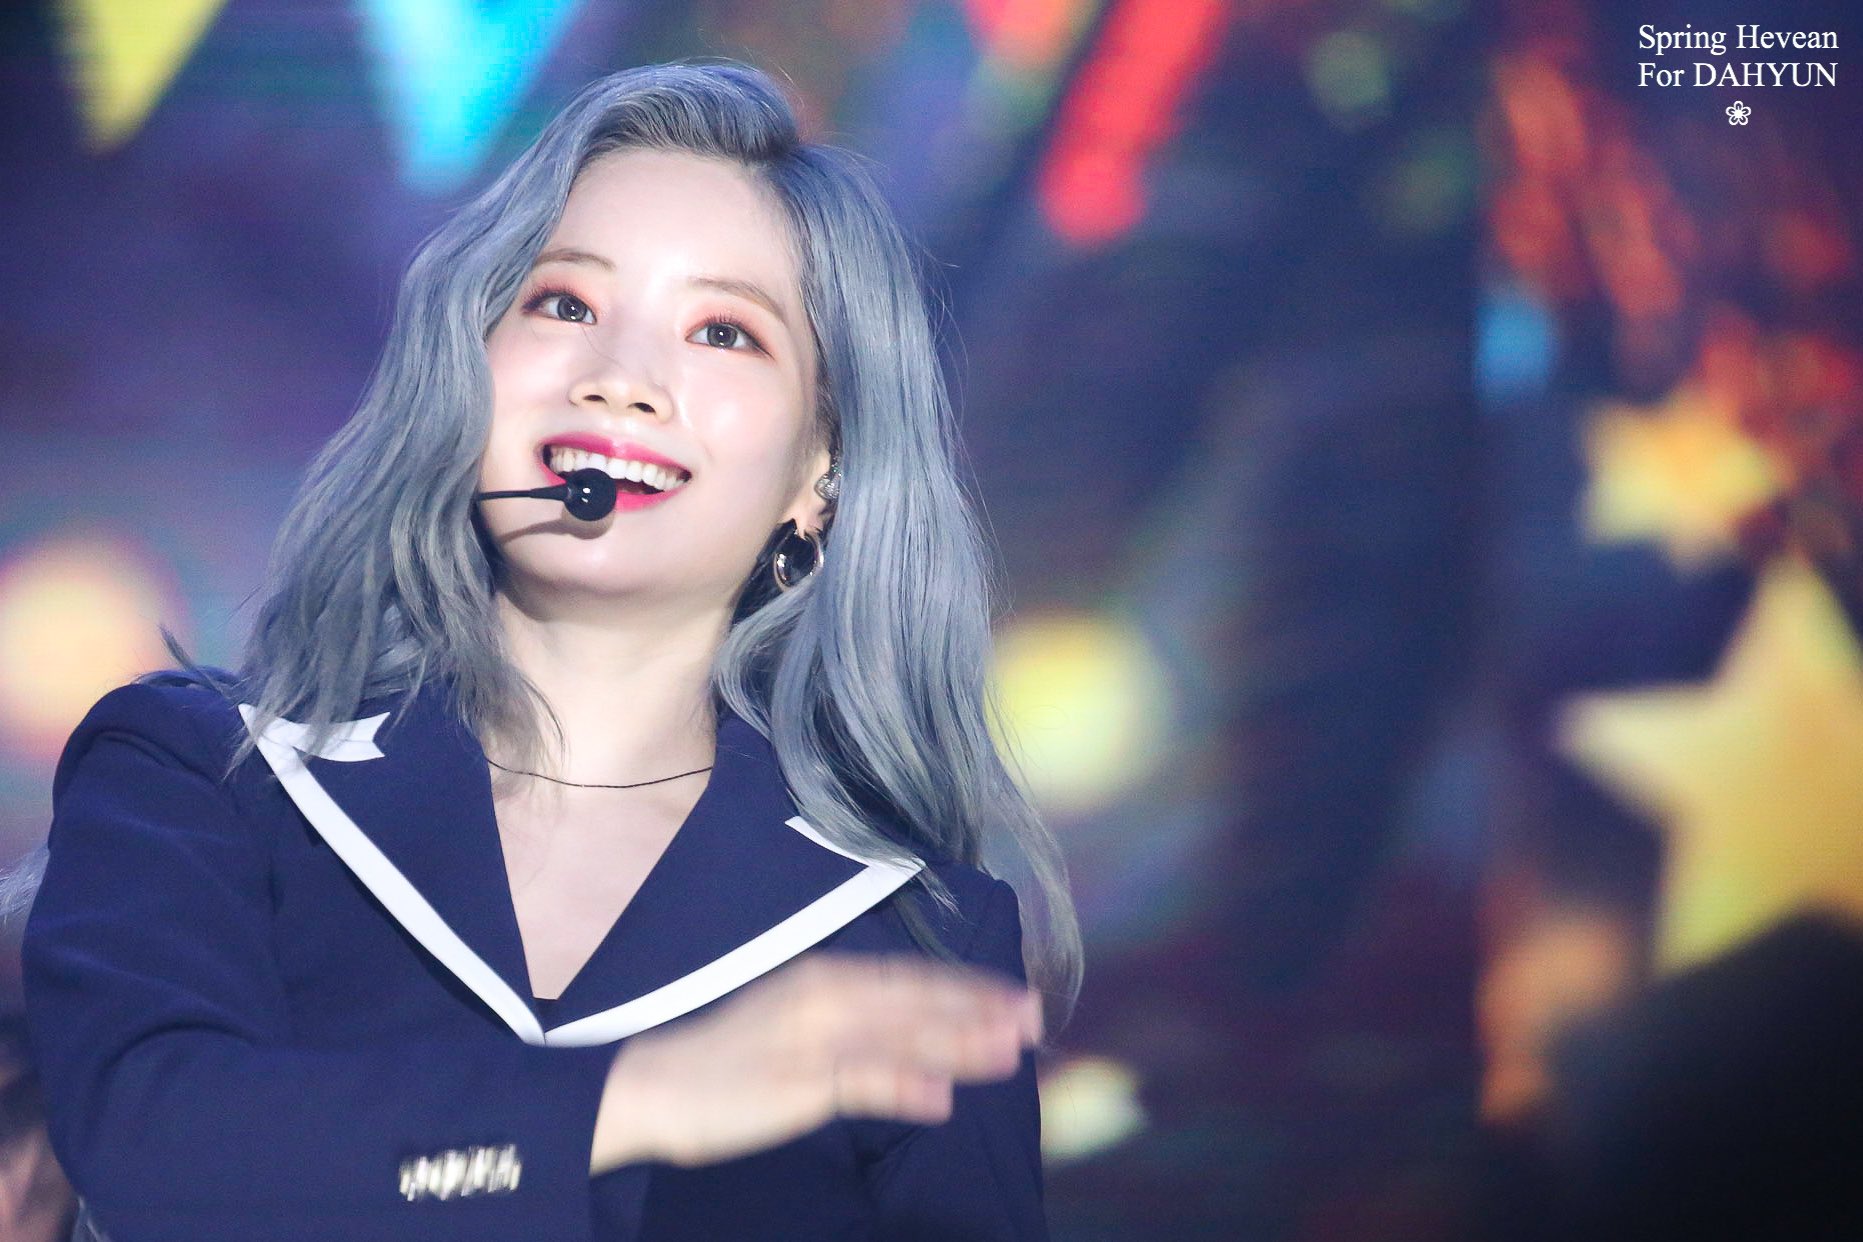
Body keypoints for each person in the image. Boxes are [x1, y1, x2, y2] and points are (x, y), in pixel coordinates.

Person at [20, 59, 1081, 1241]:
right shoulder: (205, 773)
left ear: (818, 477)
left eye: (725, 332)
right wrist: (632, 1103)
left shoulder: (916, 933)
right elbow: (158, 1144)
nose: (622, 381)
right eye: (565, 305)